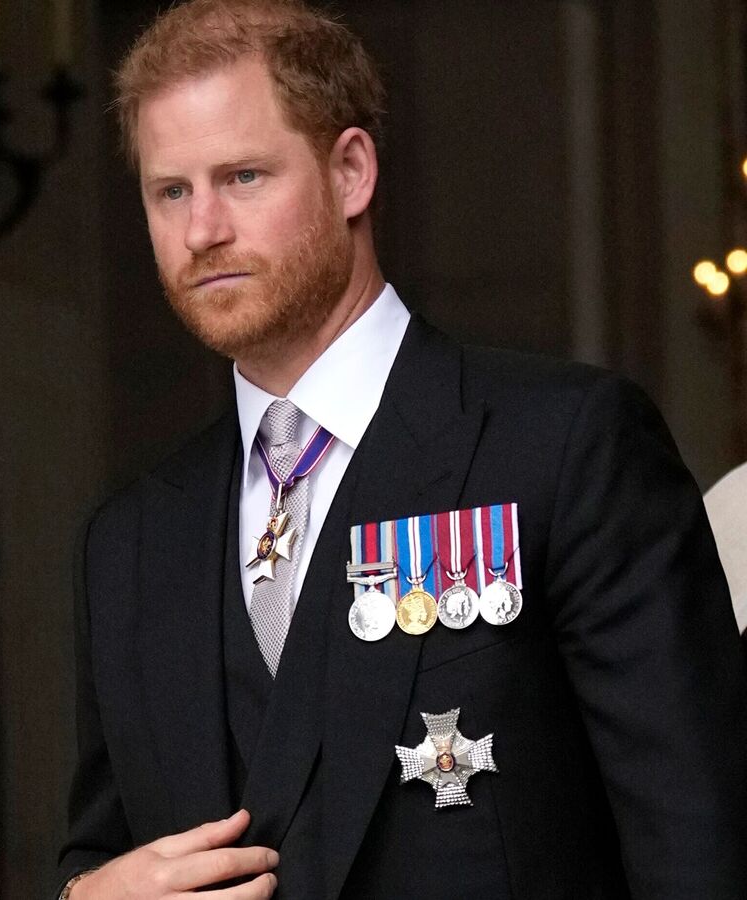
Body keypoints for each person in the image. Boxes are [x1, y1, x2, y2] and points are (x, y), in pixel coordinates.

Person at [57, 2, 747, 898]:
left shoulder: (567, 448)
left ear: (350, 172)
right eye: (171, 191)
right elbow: (96, 852)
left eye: (244, 177)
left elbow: (701, 852)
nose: (202, 232)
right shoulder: (126, 544)